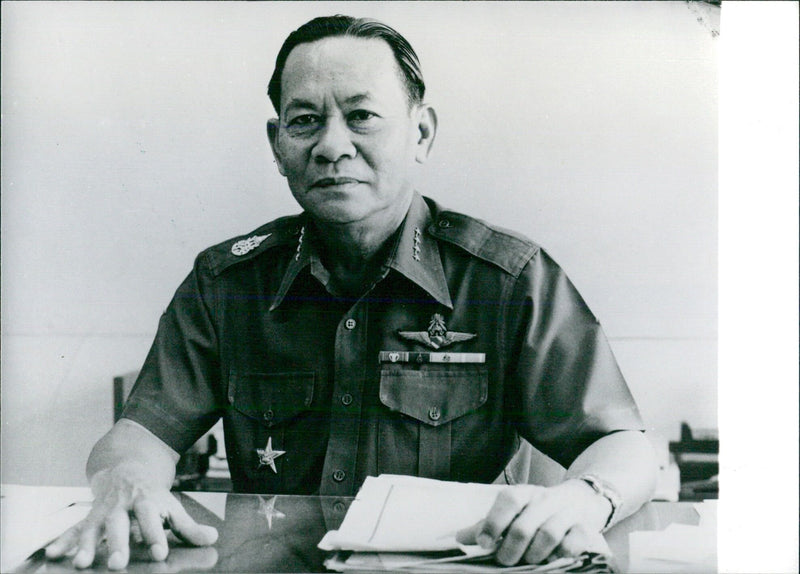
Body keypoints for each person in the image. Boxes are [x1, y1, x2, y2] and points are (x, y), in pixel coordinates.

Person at [45, 15, 657, 570]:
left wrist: (585, 499)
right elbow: (141, 432)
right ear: (277, 145)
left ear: (421, 133)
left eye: (361, 116)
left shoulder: (505, 279)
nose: (332, 146)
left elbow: (621, 445)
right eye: (305, 120)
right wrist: (126, 478)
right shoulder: (227, 283)